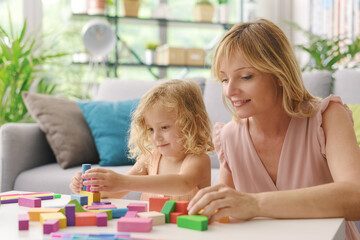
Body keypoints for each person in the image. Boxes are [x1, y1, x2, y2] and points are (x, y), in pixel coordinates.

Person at [187, 19, 360, 239]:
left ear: (279, 75)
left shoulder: (327, 117)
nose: (230, 90)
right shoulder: (229, 137)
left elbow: (356, 196)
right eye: (224, 79)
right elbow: (226, 217)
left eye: (246, 76)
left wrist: (254, 203)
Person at [70, 79, 214, 201]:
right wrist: (88, 186)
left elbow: (183, 183)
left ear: (193, 123)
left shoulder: (198, 160)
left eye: (164, 127)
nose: (156, 137)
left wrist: (123, 181)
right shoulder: (150, 158)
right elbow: (117, 191)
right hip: (151, 230)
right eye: (150, 129)